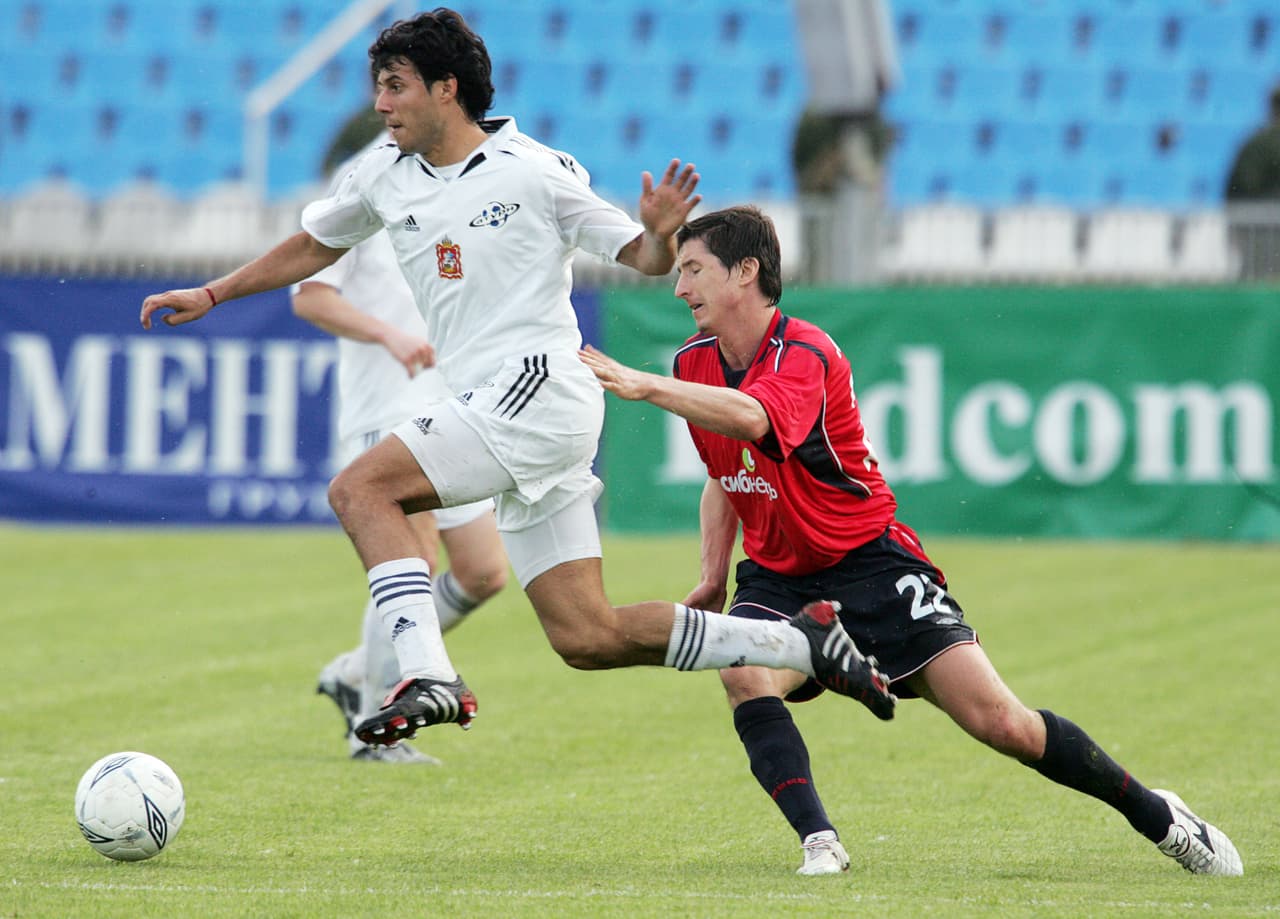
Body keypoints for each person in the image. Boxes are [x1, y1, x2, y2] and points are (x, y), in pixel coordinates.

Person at [139, 9, 895, 752]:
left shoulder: (536, 172)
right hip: (498, 406)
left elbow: (643, 258)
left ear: (446, 88)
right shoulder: (380, 173)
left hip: (537, 388)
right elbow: (313, 244)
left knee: (360, 489)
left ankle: (426, 673)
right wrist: (213, 293)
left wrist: (663, 232)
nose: (380, 103)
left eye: (395, 86)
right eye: (379, 87)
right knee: (587, 635)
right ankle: (800, 642)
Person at [578, 204, 1244, 878]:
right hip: (780, 580)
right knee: (744, 672)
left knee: (1004, 725)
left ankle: (1162, 818)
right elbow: (726, 472)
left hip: (873, 564)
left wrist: (645, 386)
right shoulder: (695, 362)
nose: (679, 286)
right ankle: (820, 841)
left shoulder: (806, 351)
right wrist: (714, 569)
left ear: (746, 272)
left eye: (692, 269)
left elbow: (754, 420)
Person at [294, 128, 509, 764]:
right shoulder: (361, 186)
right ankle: (372, 724)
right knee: (414, 567)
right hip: (386, 409)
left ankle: (358, 669)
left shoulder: (453, 181)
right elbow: (311, 297)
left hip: (450, 408)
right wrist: (388, 335)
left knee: (484, 573)